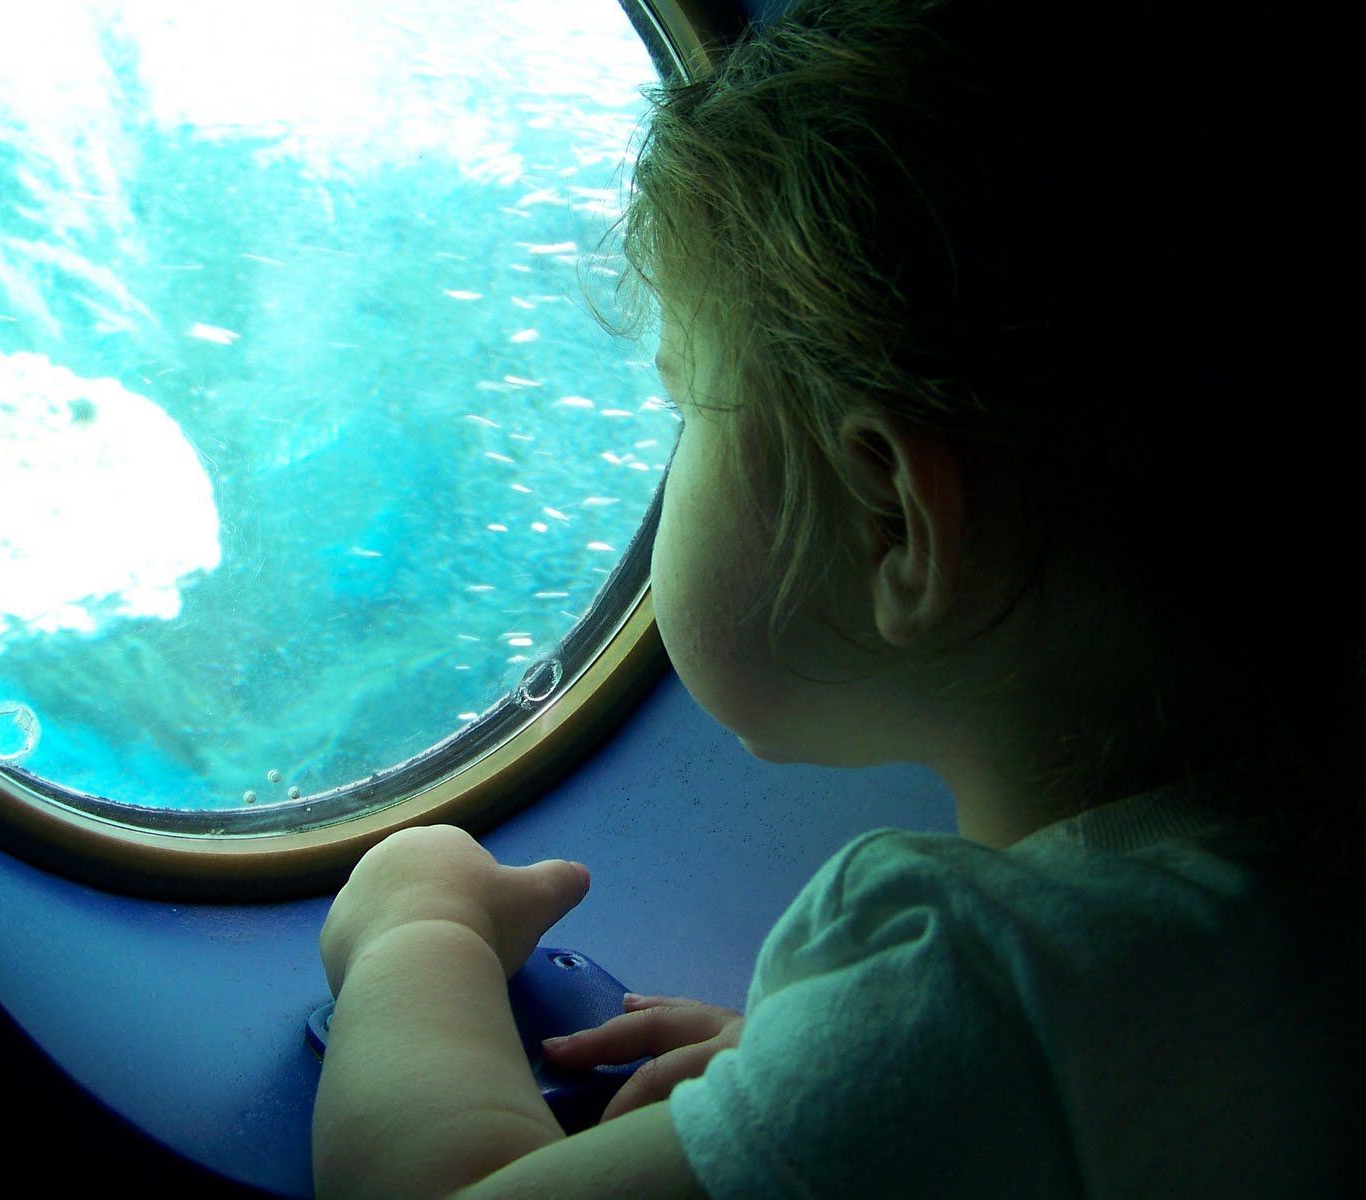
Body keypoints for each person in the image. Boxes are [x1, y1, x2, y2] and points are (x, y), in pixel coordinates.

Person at [313, 3, 1362, 1195]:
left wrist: (417, 935)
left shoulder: (976, 993)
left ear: (892, 523)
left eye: (690, 414)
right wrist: (807, 1085)